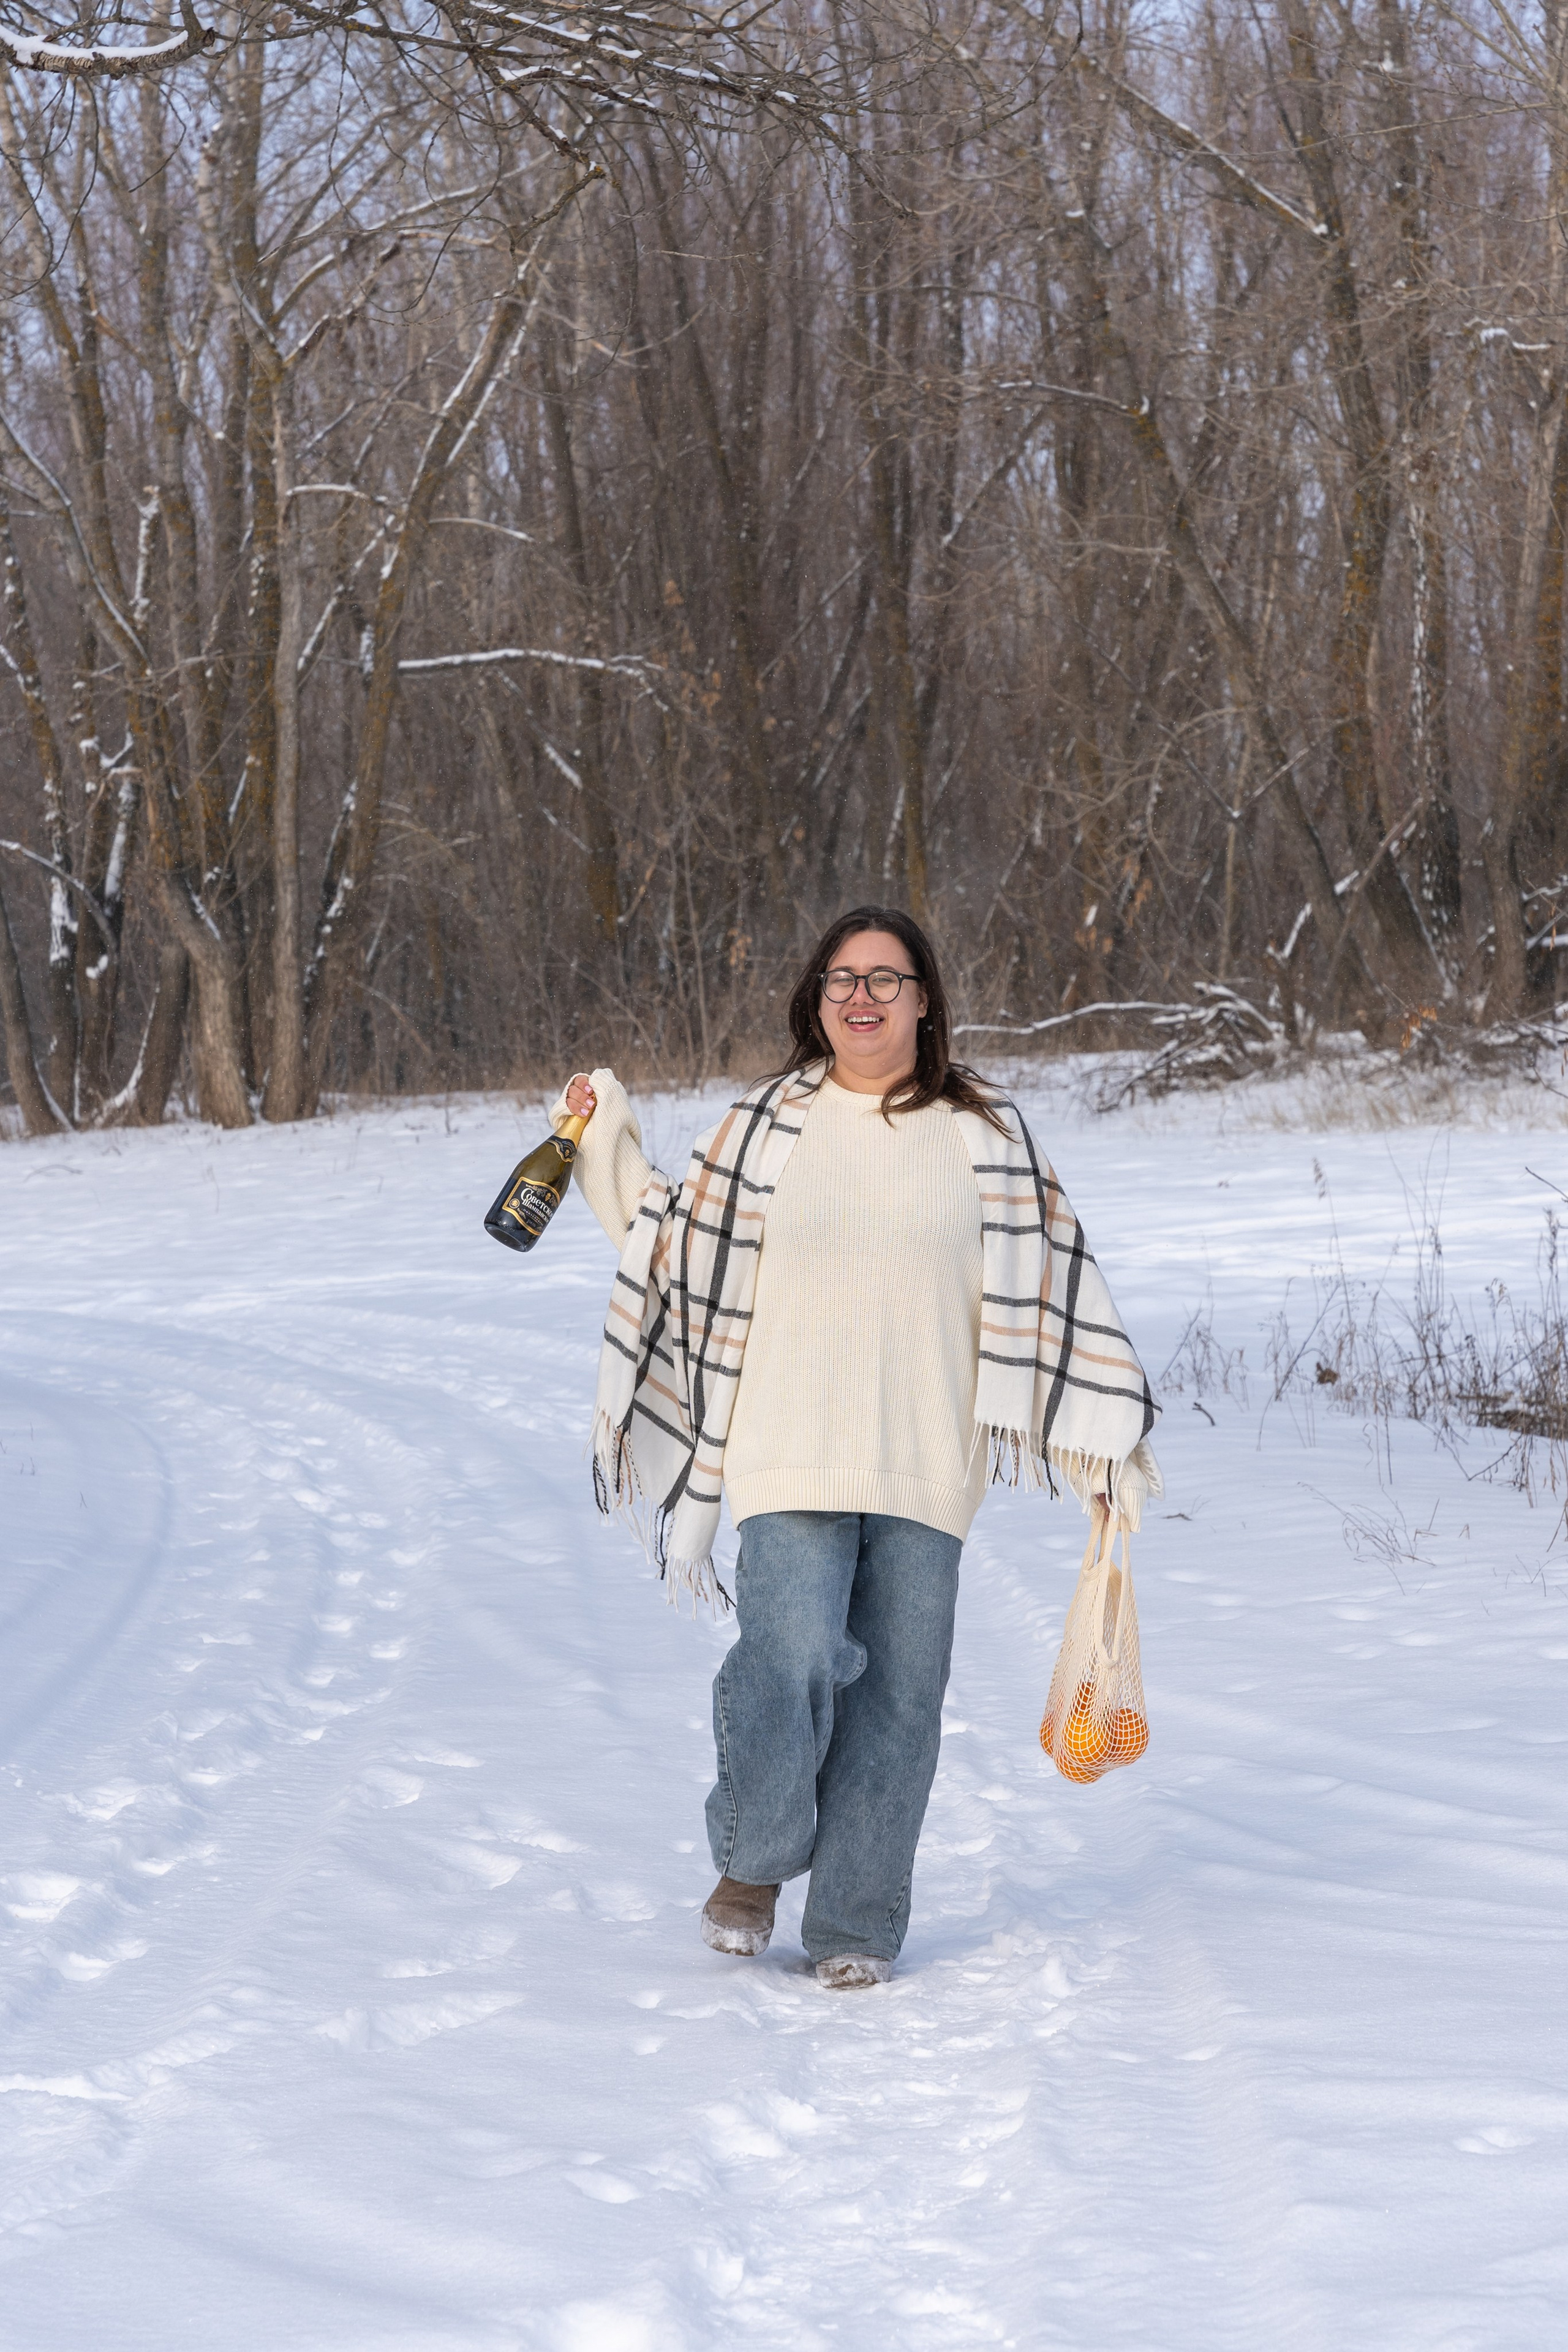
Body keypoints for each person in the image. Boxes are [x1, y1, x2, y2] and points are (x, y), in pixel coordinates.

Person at [552, 905, 1160, 1991]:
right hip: (787, 1442)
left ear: (926, 1002)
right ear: (816, 999)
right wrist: (601, 1139)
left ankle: (857, 1923)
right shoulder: (761, 1126)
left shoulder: (988, 1134)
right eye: (842, 978)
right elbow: (672, 1245)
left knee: (899, 1699)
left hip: (928, 1457)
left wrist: (1107, 1432)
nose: (863, 996)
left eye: (887, 977)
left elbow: (1061, 1286)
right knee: (788, 1658)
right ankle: (752, 1859)